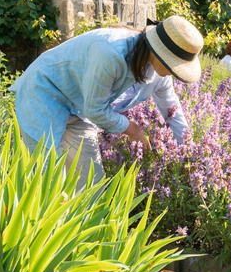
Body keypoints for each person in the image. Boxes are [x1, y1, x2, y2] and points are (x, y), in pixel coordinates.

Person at [12, 15, 203, 187]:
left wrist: (189, 153)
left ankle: (84, 224)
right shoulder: (112, 53)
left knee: (90, 182)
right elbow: (95, 109)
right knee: (47, 178)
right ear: (159, 51)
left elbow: (173, 112)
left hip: (78, 109)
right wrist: (132, 129)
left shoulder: (160, 76)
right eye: (174, 63)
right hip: (43, 92)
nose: (175, 71)